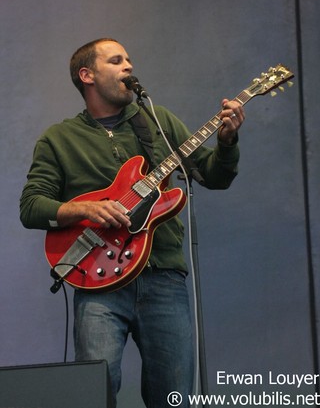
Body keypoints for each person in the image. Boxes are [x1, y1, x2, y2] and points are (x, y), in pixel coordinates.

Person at [20, 38, 245, 407]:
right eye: (116, 60)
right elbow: (31, 206)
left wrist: (227, 140)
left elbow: (212, 175)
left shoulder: (156, 122)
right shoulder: (59, 139)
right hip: (98, 284)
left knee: (173, 397)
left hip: (164, 278)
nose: (128, 65)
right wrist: (88, 209)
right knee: (96, 392)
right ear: (87, 75)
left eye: (129, 59)